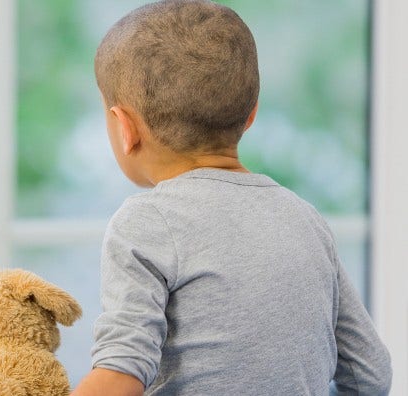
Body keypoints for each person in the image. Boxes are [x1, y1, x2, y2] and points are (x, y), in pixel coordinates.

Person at [70, 1, 392, 395]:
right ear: (251, 114)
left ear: (125, 128)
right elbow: (370, 373)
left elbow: (121, 374)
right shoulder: (305, 218)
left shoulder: (147, 221)